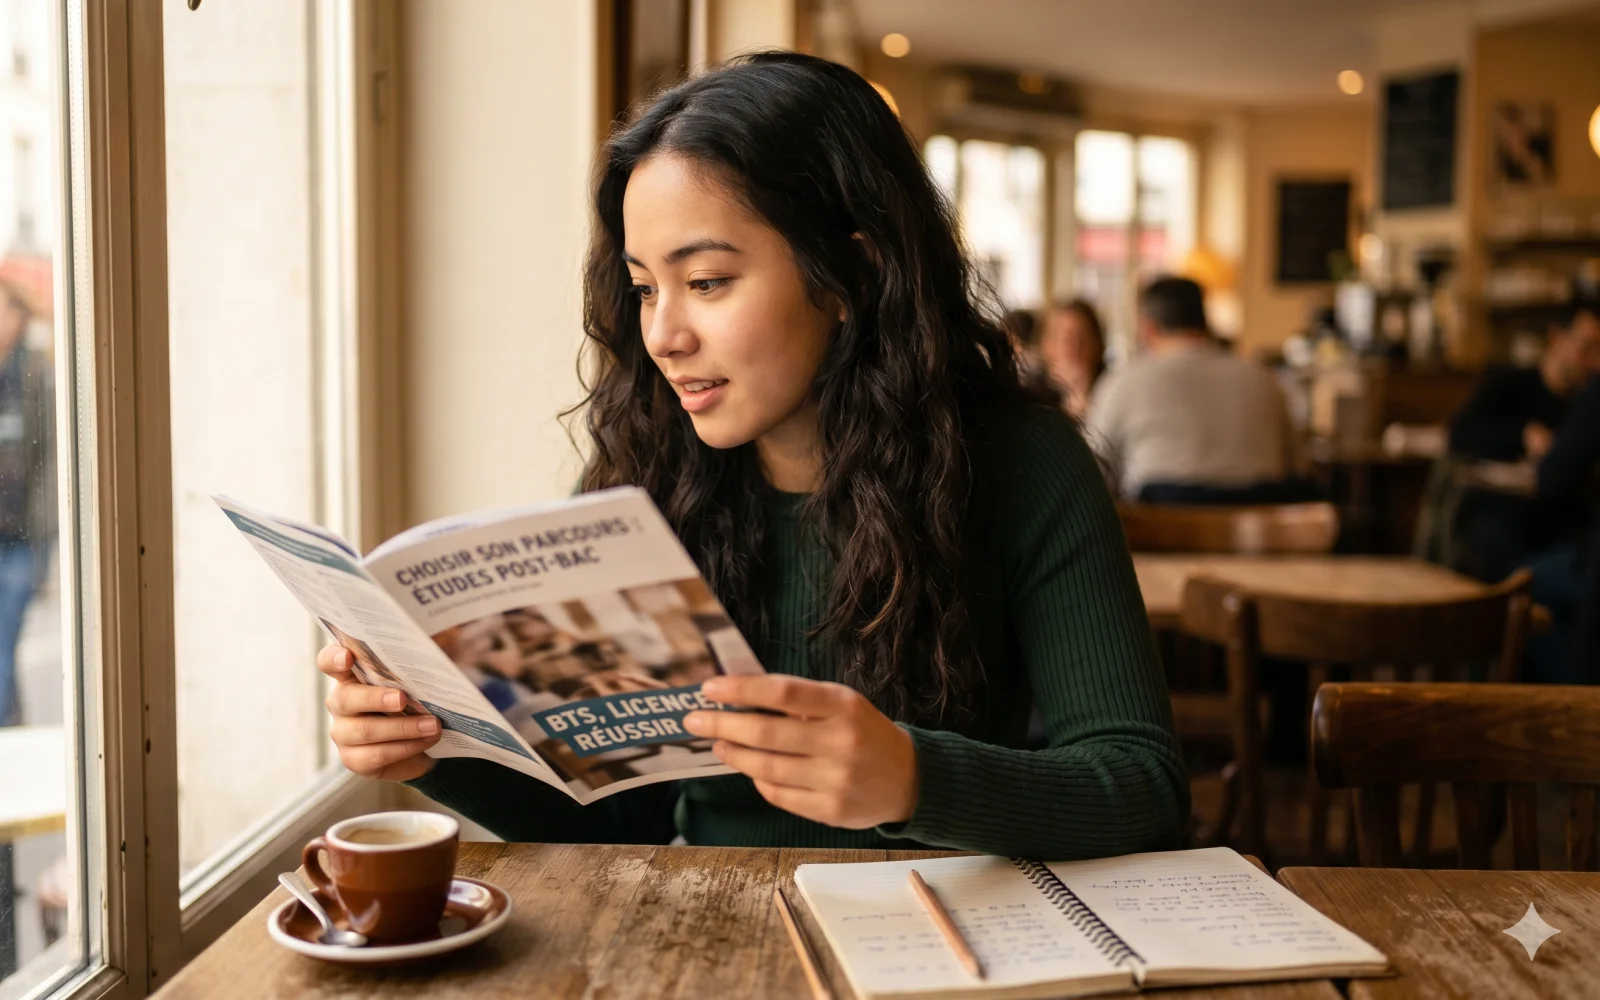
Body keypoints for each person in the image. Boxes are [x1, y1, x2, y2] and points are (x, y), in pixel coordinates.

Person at [315, 53, 1187, 860]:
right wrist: (434, 750)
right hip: (709, 944)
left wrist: (914, 779)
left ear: (852, 273)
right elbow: (630, 821)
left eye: (706, 283)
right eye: (646, 287)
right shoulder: (644, 472)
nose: (663, 334)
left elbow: (1144, 789)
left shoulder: (1021, 463)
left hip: (948, 943)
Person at [1084, 276, 1302, 504]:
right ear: (1205, 323)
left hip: (1158, 534)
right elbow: (1295, 467)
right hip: (1262, 535)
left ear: (1147, 328)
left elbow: (1094, 473)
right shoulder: (1264, 379)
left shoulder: (1123, 382)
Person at [1446, 301, 1600, 581]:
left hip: (1562, 523)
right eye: (1587, 347)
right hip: (1502, 514)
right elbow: (1460, 433)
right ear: (1557, 338)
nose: (1592, 361)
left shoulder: (1586, 405)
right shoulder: (1510, 383)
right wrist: (1522, 435)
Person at [0, 279, 53, 728]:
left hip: (19, 537)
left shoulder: (35, 372)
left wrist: (41, 529)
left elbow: (51, 458)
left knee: (3, 643)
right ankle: (14, 735)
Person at [1037, 298, 1107, 420]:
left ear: (1097, 345)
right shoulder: (1033, 396)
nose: (1072, 349)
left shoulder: (1111, 390)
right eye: (1063, 339)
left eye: (1081, 338)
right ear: (1045, 345)